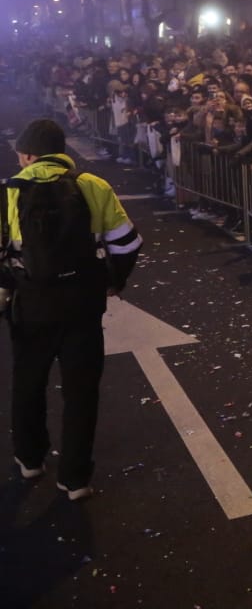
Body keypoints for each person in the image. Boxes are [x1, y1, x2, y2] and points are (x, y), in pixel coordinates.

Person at [4, 118, 143, 500]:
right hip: (82, 301)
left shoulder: (9, 192)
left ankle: (30, 459)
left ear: (29, 154)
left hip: (31, 303)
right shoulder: (92, 185)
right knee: (82, 391)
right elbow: (127, 242)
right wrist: (115, 280)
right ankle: (75, 477)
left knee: (28, 383)